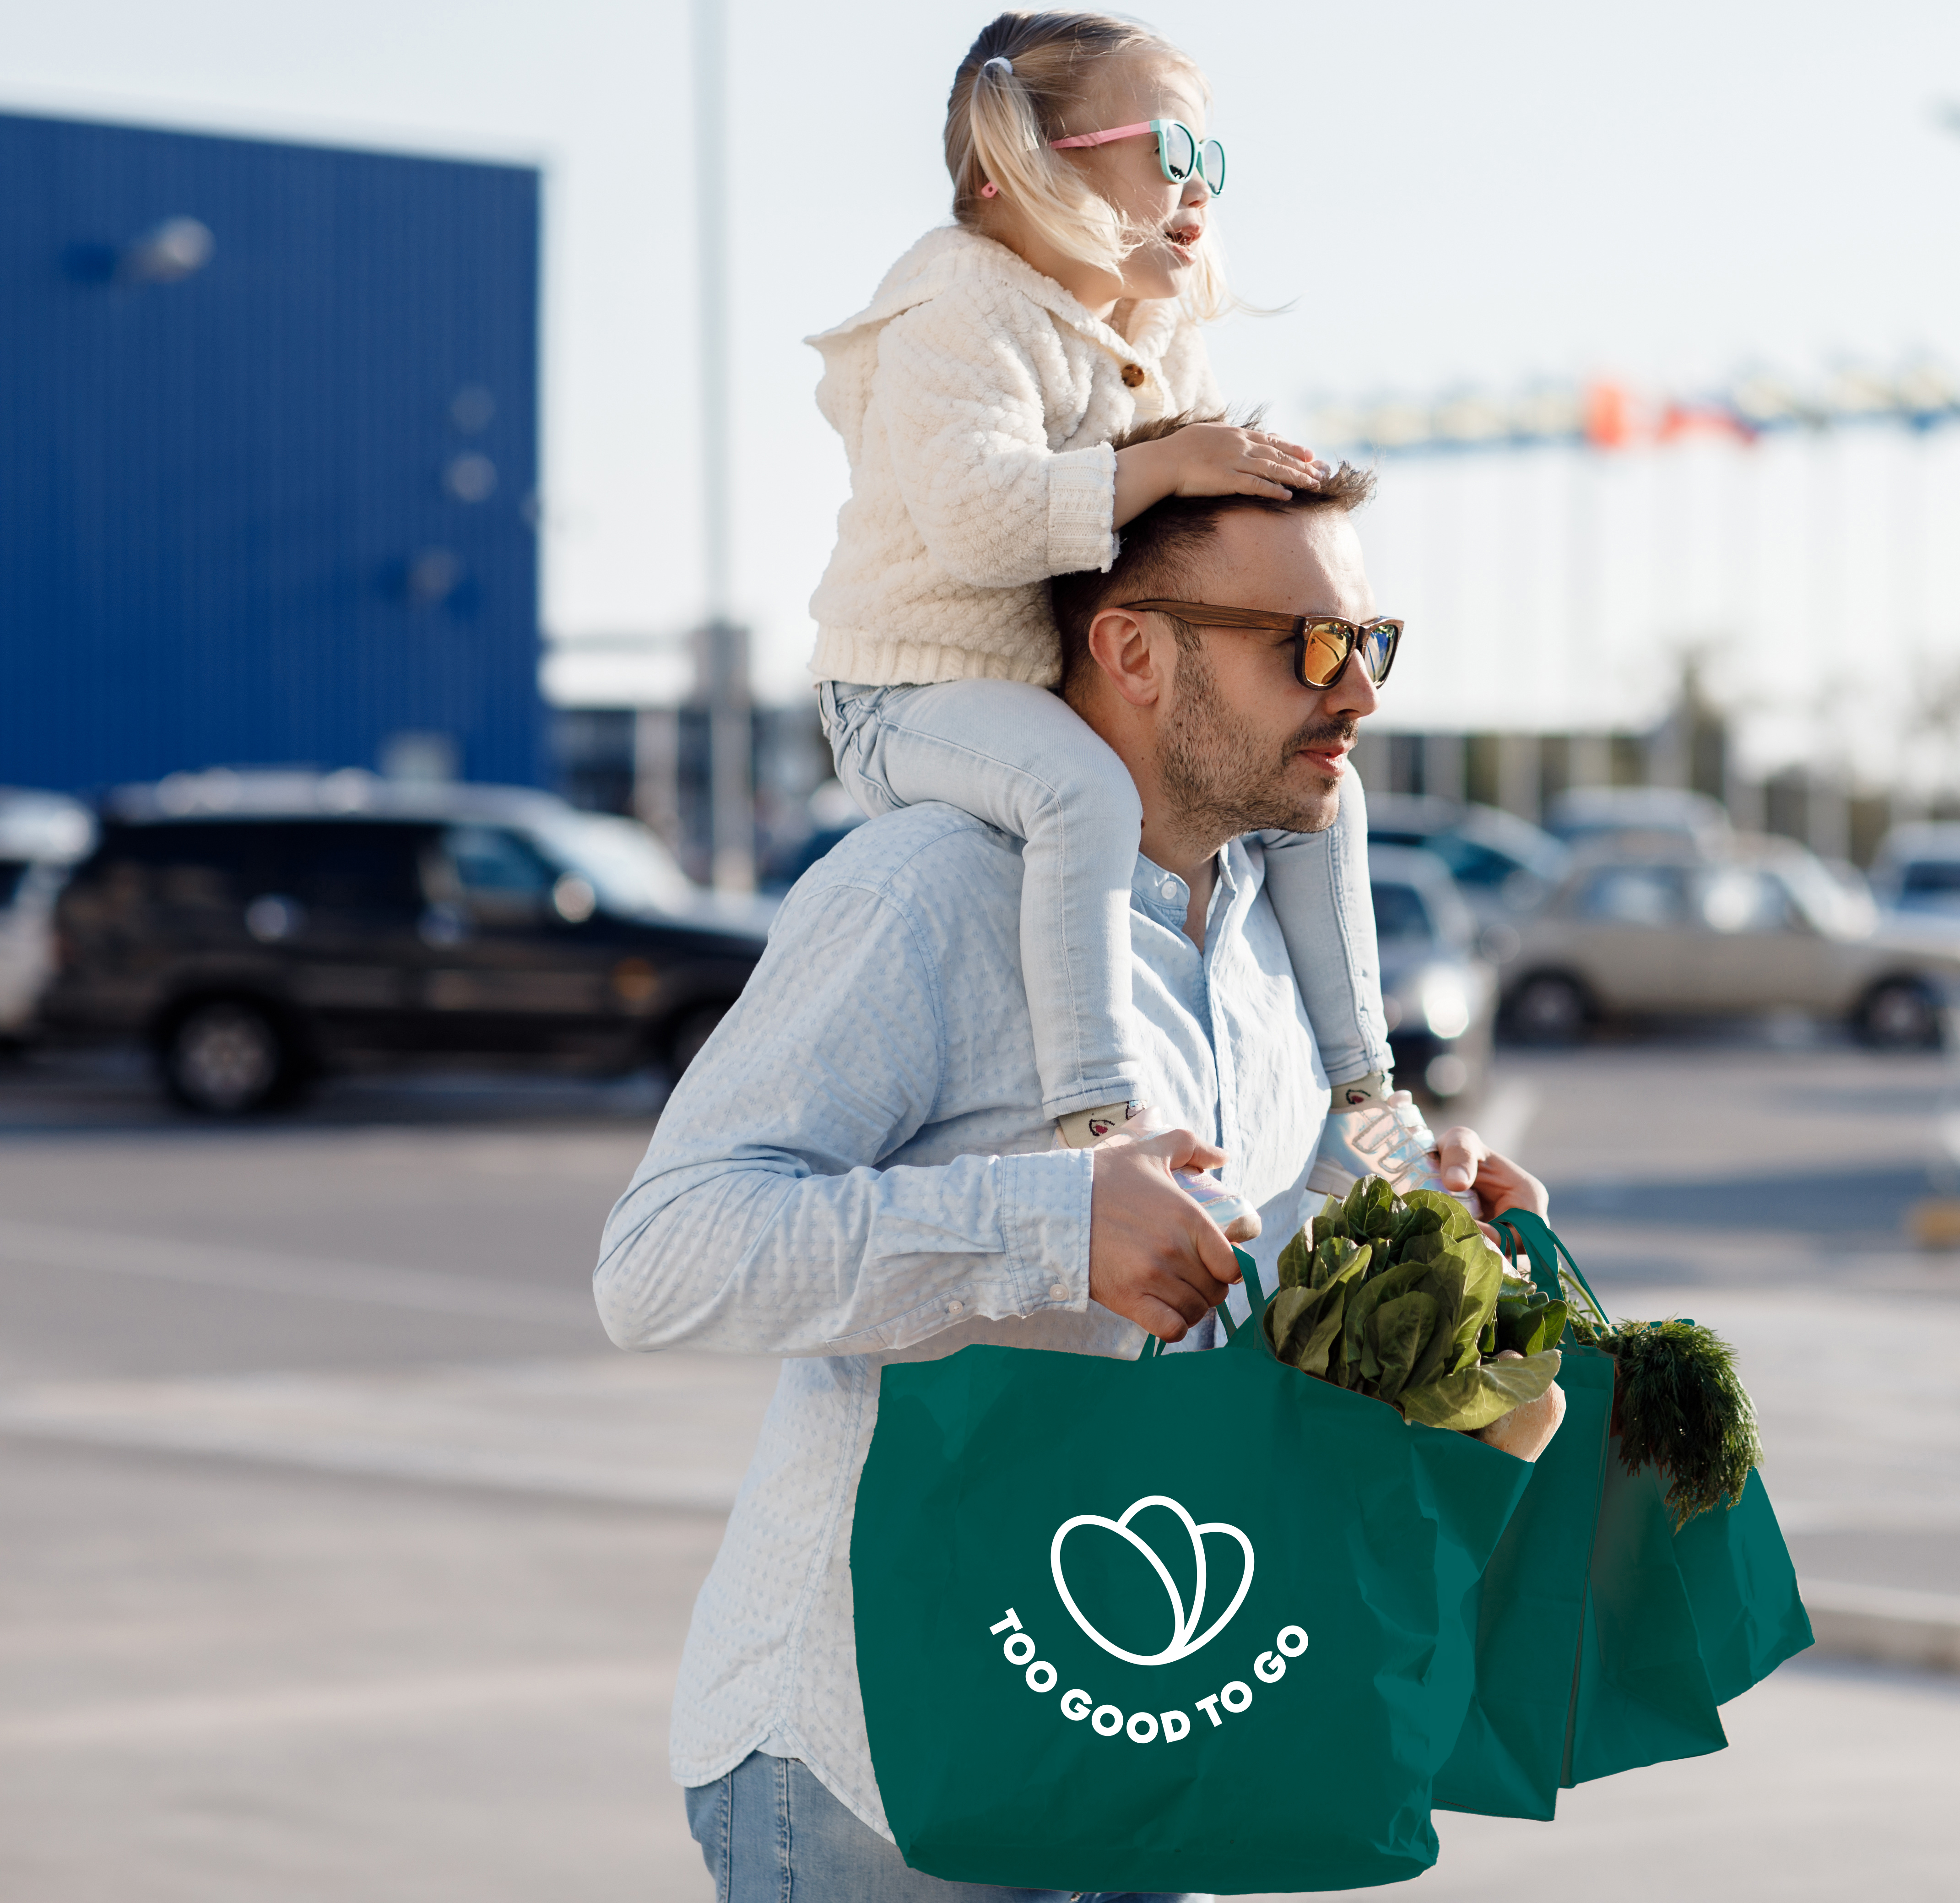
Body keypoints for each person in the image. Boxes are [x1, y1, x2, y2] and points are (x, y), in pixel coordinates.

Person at [596, 441, 1554, 1899]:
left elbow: (1252, 1233)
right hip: (889, 1765)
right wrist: (1052, 1222)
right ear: (1131, 651)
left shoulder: (1262, 923)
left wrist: (1413, 1226)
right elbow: (662, 1262)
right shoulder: (924, 891)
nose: (1357, 692)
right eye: (1309, 647)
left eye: (1370, 643)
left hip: (1150, 1709)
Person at [804, 5, 1424, 1183]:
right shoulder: (956, 307)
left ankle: (1370, 1094)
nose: (1199, 189)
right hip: (905, 690)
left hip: (1034, 681)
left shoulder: (1145, 323)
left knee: (1322, 803)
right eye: (1170, 153)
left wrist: (1248, 485)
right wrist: (1166, 466)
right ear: (1018, 170)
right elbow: (980, 521)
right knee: (1081, 791)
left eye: (1212, 162)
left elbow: (1185, 513)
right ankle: (1100, 1113)